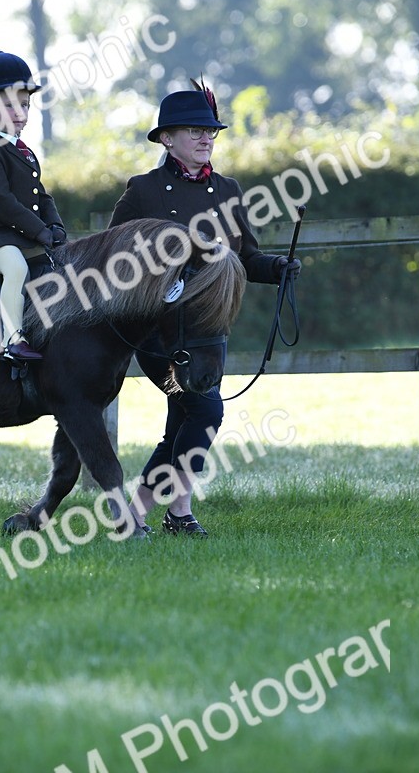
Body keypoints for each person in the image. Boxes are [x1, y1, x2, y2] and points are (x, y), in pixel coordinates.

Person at [109, 81, 301, 535]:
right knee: (206, 411)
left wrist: (277, 267)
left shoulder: (229, 190)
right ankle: (177, 512)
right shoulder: (143, 191)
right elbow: (110, 260)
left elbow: (246, 257)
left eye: (210, 131)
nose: (205, 138)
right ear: (166, 138)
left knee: (185, 416)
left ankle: (134, 514)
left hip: (208, 334)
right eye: (194, 131)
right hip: (158, 332)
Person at [0, 51, 66, 362]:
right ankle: (13, 338)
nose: (20, 112)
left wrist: (55, 226)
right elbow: (2, 202)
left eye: (26, 105)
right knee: (16, 268)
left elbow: (41, 195)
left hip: (24, 237)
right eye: (9, 105)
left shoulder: (25, 151)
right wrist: (39, 230)